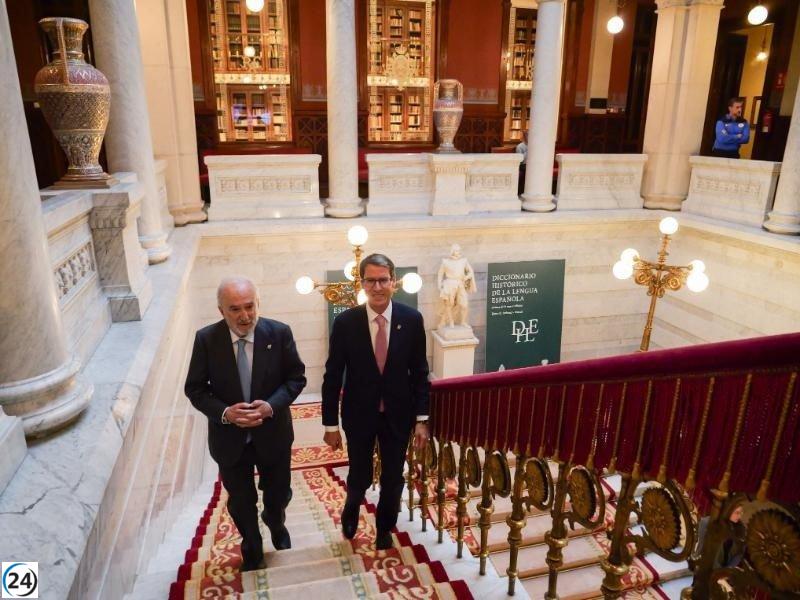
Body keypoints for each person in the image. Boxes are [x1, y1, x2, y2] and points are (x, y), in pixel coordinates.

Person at [185, 277, 306, 571]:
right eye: (235, 309)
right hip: (229, 440)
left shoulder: (278, 333)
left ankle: (275, 521)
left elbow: (296, 378)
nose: (244, 315)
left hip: (273, 435)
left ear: (257, 304)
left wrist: (271, 406)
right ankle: (252, 543)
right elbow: (196, 389)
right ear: (221, 310)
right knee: (240, 501)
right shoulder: (206, 339)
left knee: (278, 494)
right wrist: (226, 412)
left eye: (250, 306)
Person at [321, 253, 431, 550]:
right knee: (360, 471)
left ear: (394, 282)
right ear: (362, 283)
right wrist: (330, 424)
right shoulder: (346, 322)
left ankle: (384, 527)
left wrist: (422, 419)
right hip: (359, 414)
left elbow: (420, 370)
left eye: (383, 279)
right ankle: (352, 505)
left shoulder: (411, 319)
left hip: (398, 413)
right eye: (371, 280)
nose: (378, 286)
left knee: (394, 476)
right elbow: (333, 374)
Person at [437, 243, 477, 329]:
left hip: (460, 283)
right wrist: (439, 285)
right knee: (449, 304)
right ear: (452, 251)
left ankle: (463, 322)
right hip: (449, 283)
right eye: (456, 250)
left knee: (464, 304)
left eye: (459, 250)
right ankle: (450, 321)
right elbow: (440, 274)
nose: (458, 252)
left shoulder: (464, 261)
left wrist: (466, 277)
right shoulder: (445, 262)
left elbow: (471, 271)